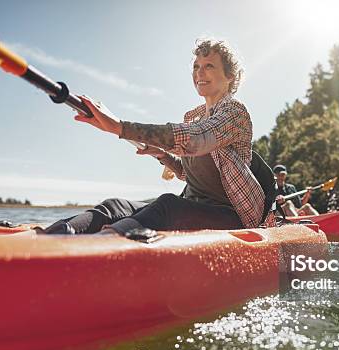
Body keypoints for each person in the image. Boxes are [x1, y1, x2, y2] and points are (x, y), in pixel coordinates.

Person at [40, 39, 274, 236]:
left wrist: (119, 127)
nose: (199, 73)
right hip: (192, 206)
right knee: (115, 205)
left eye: (209, 65)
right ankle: (55, 236)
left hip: (231, 216)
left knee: (167, 205)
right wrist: (164, 156)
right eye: (196, 66)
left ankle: (101, 244)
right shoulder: (193, 117)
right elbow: (190, 174)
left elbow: (196, 140)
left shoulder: (234, 112)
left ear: (230, 76)